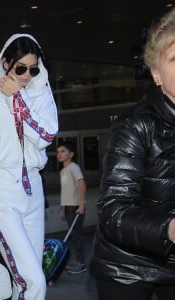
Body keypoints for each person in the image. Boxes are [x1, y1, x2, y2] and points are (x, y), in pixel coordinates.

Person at [90, 7, 175, 300]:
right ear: (156, 72)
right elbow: (113, 210)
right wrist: (168, 229)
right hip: (125, 267)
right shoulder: (134, 125)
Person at [0, 33, 58, 299]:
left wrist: (18, 99)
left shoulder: (38, 96)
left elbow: (45, 137)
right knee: (34, 281)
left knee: (24, 280)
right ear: (5, 63)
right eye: (20, 68)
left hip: (34, 190)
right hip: (2, 195)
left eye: (33, 68)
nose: (27, 75)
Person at [56, 142, 87, 274]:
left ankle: (81, 263)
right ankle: (77, 261)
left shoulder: (74, 167)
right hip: (68, 207)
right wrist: (63, 208)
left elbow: (82, 184)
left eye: (63, 151)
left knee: (76, 235)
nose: (59, 154)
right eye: (58, 152)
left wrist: (81, 204)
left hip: (75, 207)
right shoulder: (63, 171)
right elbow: (65, 190)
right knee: (73, 236)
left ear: (71, 154)